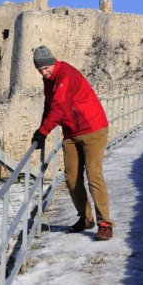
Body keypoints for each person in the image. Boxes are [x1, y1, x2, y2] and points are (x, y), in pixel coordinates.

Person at [30, 45, 113, 240]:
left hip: (92, 129)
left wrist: (44, 132)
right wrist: (40, 131)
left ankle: (104, 223)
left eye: (46, 68)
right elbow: (49, 106)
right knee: (71, 177)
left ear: (53, 62)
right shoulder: (48, 80)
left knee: (94, 175)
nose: (43, 72)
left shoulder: (66, 75)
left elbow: (59, 107)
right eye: (40, 70)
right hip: (71, 132)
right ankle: (85, 218)